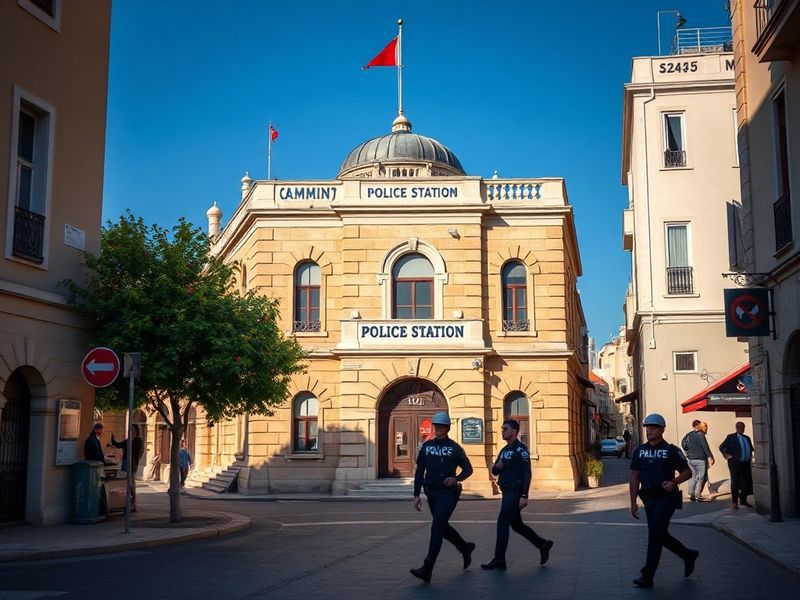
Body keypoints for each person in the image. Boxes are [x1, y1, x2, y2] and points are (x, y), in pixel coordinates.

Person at [629, 413, 698, 588]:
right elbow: (634, 477)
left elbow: (687, 472)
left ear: (661, 430)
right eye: (647, 427)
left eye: (652, 427)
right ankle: (687, 554)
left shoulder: (672, 450)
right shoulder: (639, 451)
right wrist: (632, 502)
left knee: (654, 535)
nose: (648, 430)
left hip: (667, 498)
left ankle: (648, 575)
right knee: (660, 534)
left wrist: (674, 482)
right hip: (649, 499)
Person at [410, 411, 475, 583]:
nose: (439, 429)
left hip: (448, 493)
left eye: (442, 426)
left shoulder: (455, 448)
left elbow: (468, 469)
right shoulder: (426, 446)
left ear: (447, 428)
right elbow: (419, 472)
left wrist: (457, 479)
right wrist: (416, 494)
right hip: (431, 492)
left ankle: (427, 568)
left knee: (436, 528)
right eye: (436, 426)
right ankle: (465, 547)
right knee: (442, 526)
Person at [481, 418, 554, 571]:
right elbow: (495, 471)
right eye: (502, 429)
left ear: (514, 431)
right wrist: (496, 467)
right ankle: (543, 544)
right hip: (506, 490)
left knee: (502, 522)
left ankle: (499, 559)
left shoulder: (521, 450)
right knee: (516, 525)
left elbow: (527, 473)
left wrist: (524, 495)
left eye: (505, 429)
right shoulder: (504, 450)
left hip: (515, 491)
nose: (502, 431)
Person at [719, 421, 754, 509]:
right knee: (735, 481)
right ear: (736, 428)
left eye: (742, 427)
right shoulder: (731, 437)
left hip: (746, 463)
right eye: (738, 427)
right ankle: (734, 502)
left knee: (747, 482)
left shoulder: (747, 438)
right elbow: (722, 447)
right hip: (735, 463)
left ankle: (743, 499)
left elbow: (751, 449)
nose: (740, 429)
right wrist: (726, 455)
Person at [111, 424, 145, 512]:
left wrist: (131, 441)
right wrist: (112, 438)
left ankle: (133, 504)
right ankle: (127, 503)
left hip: (133, 463)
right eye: (131, 430)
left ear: (137, 431)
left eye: (133, 430)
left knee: (131, 483)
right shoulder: (128, 440)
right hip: (125, 462)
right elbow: (118, 445)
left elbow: (137, 451)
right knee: (126, 483)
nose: (131, 431)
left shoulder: (138, 441)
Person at [681, 419, 715, 502]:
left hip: (690, 459)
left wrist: (688, 452)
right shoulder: (700, 435)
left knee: (692, 476)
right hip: (700, 459)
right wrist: (710, 456)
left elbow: (683, 443)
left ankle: (691, 494)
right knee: (701, 477)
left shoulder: (688, 435)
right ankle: (697, 494)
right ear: (698, 426)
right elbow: (705, 446)